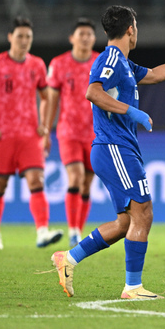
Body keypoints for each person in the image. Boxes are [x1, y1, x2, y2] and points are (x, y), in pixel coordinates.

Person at [51, 5, 165, 299]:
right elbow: (93, 92)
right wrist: (133, 112)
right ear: (130, 30)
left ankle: (68, 259)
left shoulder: (124, 63)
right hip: (114, 147)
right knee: (144, 213)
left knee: (126, 222)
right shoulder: (111, 59)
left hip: (118, 147)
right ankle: (132, 287)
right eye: (136, 27)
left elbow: (153, 75)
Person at [0, 16, 63, 250]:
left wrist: (44, 127)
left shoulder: (37, 65)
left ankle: (42, 232)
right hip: (4, 136)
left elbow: (46, 97)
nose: (24, 41)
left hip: (30, 136)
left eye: (28, 37)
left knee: (36, 181)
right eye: (20, 36)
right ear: (10, 37)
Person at [46, 18, 99, 248]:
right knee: (75, 178)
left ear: (94, 38)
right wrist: (46, 130)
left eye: (89, 34)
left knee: (87, 184)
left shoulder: (100, 62)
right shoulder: (58, 64)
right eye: (81, 33)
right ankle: (74, 230)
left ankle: (78, 226)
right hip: (68, 130)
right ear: (72, 38)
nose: (85, 37)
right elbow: (51, 100)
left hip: (96, 132)